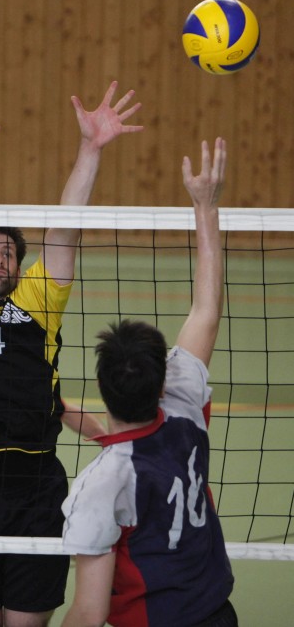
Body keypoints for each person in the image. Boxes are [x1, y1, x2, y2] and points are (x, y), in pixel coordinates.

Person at [0, 82, 142, 627]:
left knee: (26, 624)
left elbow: (65, 230)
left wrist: (91, 148)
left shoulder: (38, 300)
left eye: (8, 253)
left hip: (36, 487)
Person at [60, 138, 236, 627]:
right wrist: (206, 207)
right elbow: (206, 310)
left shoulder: (102, 483)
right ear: (162, 385)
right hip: (218, 613)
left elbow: (88, 613)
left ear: (101, 387)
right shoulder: (182, 404)